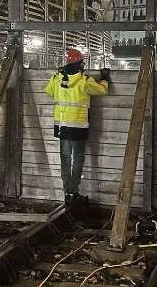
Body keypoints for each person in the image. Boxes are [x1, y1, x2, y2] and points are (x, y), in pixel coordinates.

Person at [44, 48, 110, 203]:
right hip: (78, 126)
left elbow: (48, 91)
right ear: (80, 63)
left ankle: (67, 191)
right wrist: (105, 78)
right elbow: (102, 90)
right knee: (78, 158)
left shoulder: (57, 77)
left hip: (61, 125)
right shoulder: (84, 80)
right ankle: (74, 191)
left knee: (65, 158)